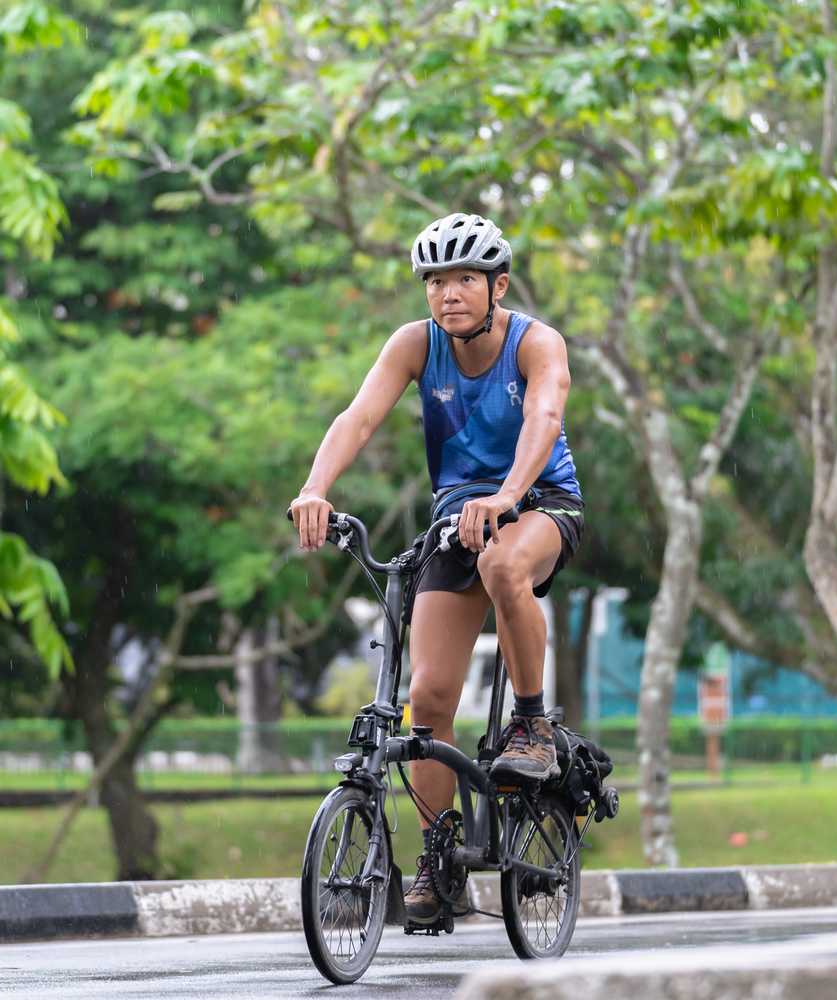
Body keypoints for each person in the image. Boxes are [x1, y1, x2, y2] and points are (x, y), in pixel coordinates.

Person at [288, 212, 585, 924]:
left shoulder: (536, 343)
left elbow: (543, 420)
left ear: (497, 285)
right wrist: (315, 487)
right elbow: (359, 416)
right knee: (428, 700)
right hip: (456, 521)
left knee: (507, 567)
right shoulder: (415, 346)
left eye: (463, 279)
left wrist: (508, 497)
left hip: (540, 500)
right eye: (435, 281)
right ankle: (439, 859)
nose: (448, 293)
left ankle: (534, 723)